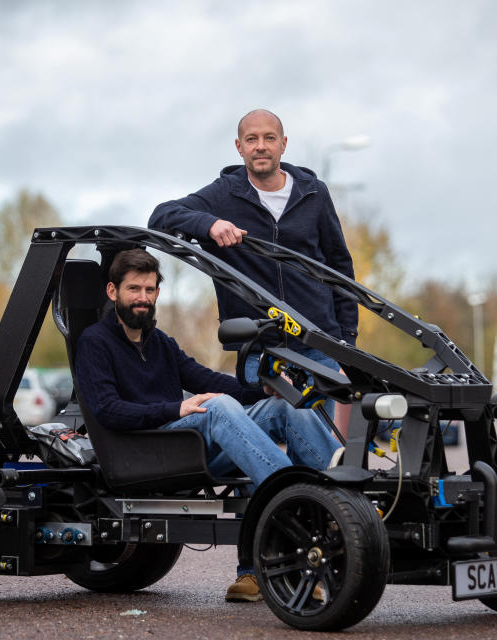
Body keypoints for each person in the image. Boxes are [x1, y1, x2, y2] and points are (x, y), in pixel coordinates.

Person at [74, 249, 341, 602]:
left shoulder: (161, 343)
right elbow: (108, 411)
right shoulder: (95, 342)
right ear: (113, 292)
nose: (143, 298)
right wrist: (177, 408)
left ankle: (339, 495)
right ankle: (296, 501)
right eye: (134, 289)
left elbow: (204, 376)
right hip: (142, 449)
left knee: (284, 407)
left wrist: (259, 389)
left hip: (183, 444)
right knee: (215, 406)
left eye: (150, 290)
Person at [148, 108, 357, 433]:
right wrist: (209, 223)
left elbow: (340, 269)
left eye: (269, 138)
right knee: (259, 440)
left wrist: (346, 342)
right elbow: (162, 216)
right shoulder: (223, 194)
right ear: (239, 147)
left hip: (318, 345)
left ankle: (316, 487)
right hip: (259, 350)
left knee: (315, 439)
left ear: (283, 144)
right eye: (252, 139)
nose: (261, 146)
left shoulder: (314, 193)